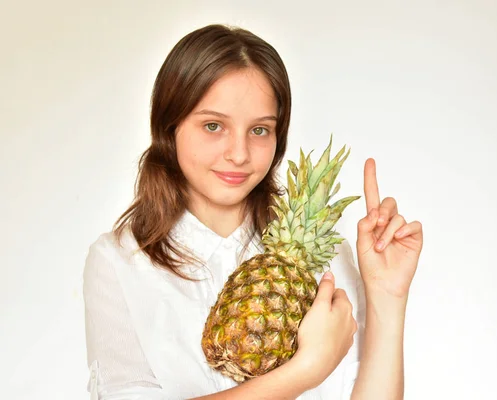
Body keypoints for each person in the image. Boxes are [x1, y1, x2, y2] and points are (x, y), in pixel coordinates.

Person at [83, 24, 423, 400]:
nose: (240, 153)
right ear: (170, 127)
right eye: (213, 126)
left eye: (260, 130)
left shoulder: (328, 260)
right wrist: (304, 371)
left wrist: (388, 298)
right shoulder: (119, 263)